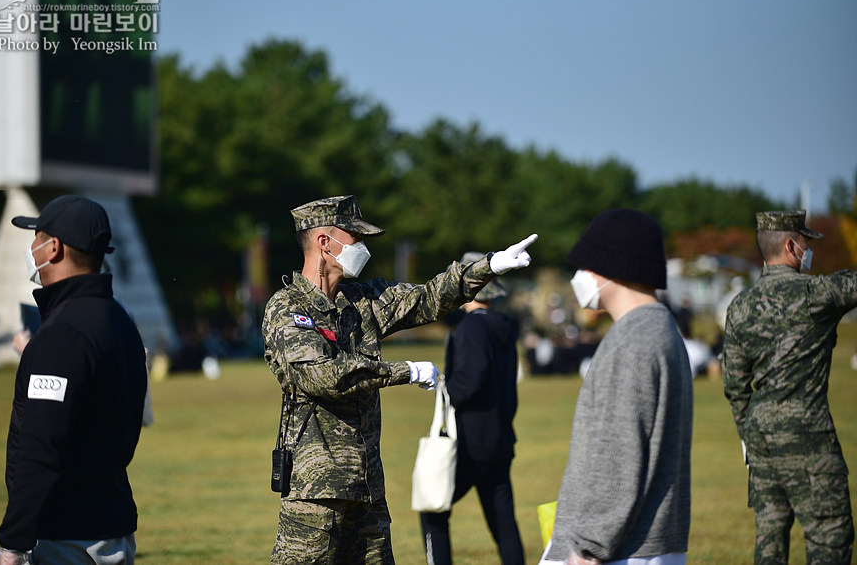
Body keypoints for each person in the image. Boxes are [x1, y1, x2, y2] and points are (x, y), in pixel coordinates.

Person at [261, 195, 537, 564]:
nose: (362, 247)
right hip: (316, 495)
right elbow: (323, 376)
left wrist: (488, 266)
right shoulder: (287, 308)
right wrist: (404, 371)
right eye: (354, 237)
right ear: (324, 242)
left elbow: (427, 298)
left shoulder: (361, 302)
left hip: (368, 490)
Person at [0, 195, 147, 565]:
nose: (31, 248)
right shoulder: (119, 320)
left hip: (67, 535)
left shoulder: (64, 333)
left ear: (54, 247)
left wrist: (12, 543)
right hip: (109, 523)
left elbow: (40, 446)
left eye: (36, 237)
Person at [541, 208, 693, 565]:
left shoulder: (632, 341)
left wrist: (588, 546)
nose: (581, 276)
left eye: (587, 265)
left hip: (621, 550)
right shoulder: (661, 329)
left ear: (611, 267)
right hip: (645, 543)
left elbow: (618, 450)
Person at [721, 210, 855, 564]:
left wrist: (747, 438)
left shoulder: (739, 306)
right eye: (807, 243)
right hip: (807, 435)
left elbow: (735, 385)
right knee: (830, 536)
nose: (809, 250)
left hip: (760, 438)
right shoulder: (815, 293)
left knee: (770, 540)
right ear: (792, 245)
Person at [419, 252, 525, 565]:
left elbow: (469, 382)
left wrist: (446, 387)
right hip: (501, 437)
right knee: (503, 522)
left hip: (471, 442)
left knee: (433, 508)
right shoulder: (503, 328)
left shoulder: (472, 328)